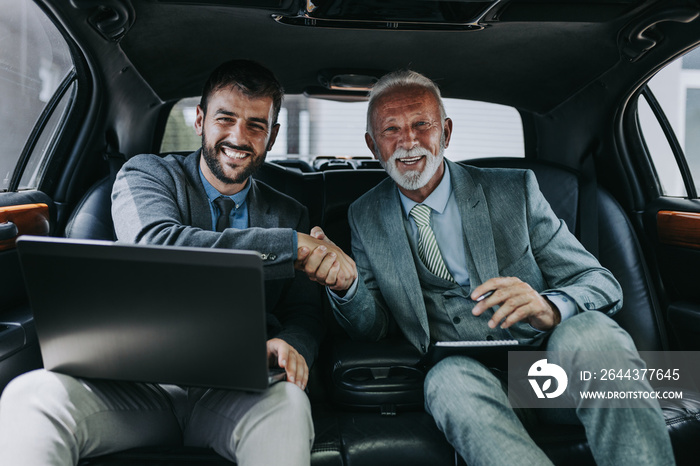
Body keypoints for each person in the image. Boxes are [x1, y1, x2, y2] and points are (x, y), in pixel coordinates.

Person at [299, 70, 675, 465]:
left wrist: (549, 308)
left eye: (421, 124)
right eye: (391, 130)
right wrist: (348, 286)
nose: (408, 141)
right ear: (372, 145)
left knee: (592, 332)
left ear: (445, 132)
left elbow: (601, 283)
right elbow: (371, 327)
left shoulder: (515, 191)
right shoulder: (366, 214)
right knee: (446, 381)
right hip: (467, 381)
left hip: (551, 373)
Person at [0, 60, 327, 466]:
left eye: (256, 126)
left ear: (272, 136)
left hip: (241, 393)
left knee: (290, 407)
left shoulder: (289, 213)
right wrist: (288, 247)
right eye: (225, 118)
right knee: (28, 398)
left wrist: (291, 346)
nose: (238, 137)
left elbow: (305, 313)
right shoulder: (147, 175)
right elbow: (157, 241)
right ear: (200, 120)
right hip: (136, 387)